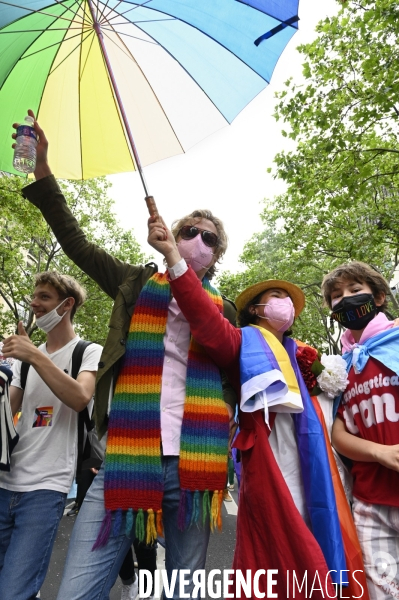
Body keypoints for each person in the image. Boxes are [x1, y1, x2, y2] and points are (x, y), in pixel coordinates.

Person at [16, 112, 237, 600]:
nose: (197, 240)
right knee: (77, 591)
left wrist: (178, 267)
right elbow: (74, 242)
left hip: (195, 467)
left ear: (216, 256)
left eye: (209, 238)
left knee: (186, 592)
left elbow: (223, 350)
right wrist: (43, 169)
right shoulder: (132, 284)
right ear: (170, 237)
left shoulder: (227, 310)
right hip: (125, 457)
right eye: (189, 231)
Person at [147, 220, 370, 599]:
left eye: (288, 297)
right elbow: (204, 319)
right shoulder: (240, 344)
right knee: (277, 560)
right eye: (274, 296)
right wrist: (173, 257)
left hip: (318, 472)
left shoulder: (310, 360)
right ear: (255, 308)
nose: (283, 303)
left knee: (324, 548)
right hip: (269, 472)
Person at [0, 271, 102, 600]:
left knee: (13, 591)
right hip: (5, 483)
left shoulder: (87, 352)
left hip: (46, 490)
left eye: (44, 296)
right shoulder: (24, 363)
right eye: (34, 296)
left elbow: (79, 398)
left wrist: (32, 354)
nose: (34, 303)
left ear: (67, 304)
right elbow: (8, 411)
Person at [322, 261, 399, 600]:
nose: (345, 300)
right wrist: (379, 453)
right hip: (370, 504)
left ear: (379, 297)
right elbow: (339, 433)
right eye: (337, 296)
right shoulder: (340, 368)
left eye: (355, 291)